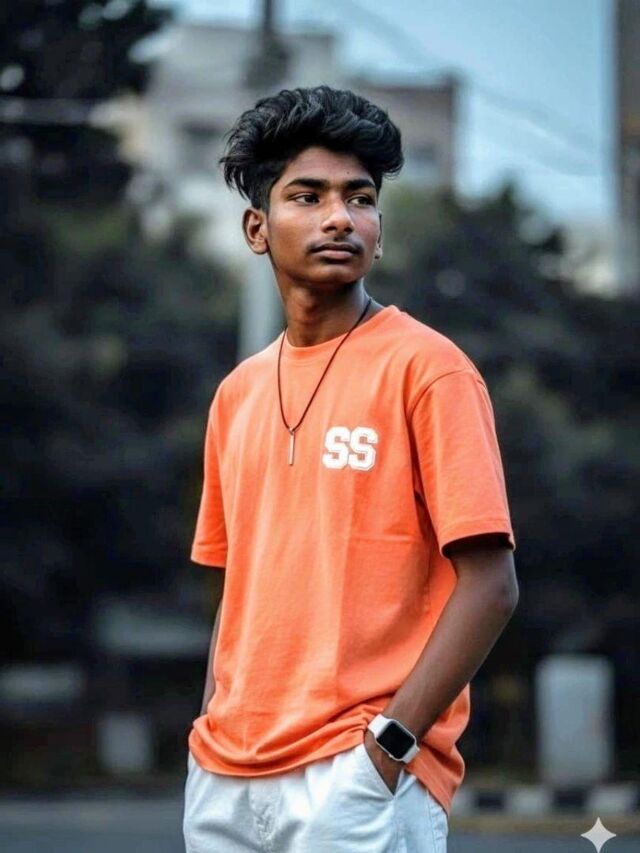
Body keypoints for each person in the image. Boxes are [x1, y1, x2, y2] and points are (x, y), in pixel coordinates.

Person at [183, 85, 518, 853]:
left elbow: (492, 585)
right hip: (225, 779)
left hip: (355, 774)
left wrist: (389, 747)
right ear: (257, 228)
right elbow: (238, 596)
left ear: (379, 229)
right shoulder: (236, 395)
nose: (340, 217)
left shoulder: (429, 370)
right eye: (308, 196)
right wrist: (207, 733)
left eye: (360, 198)